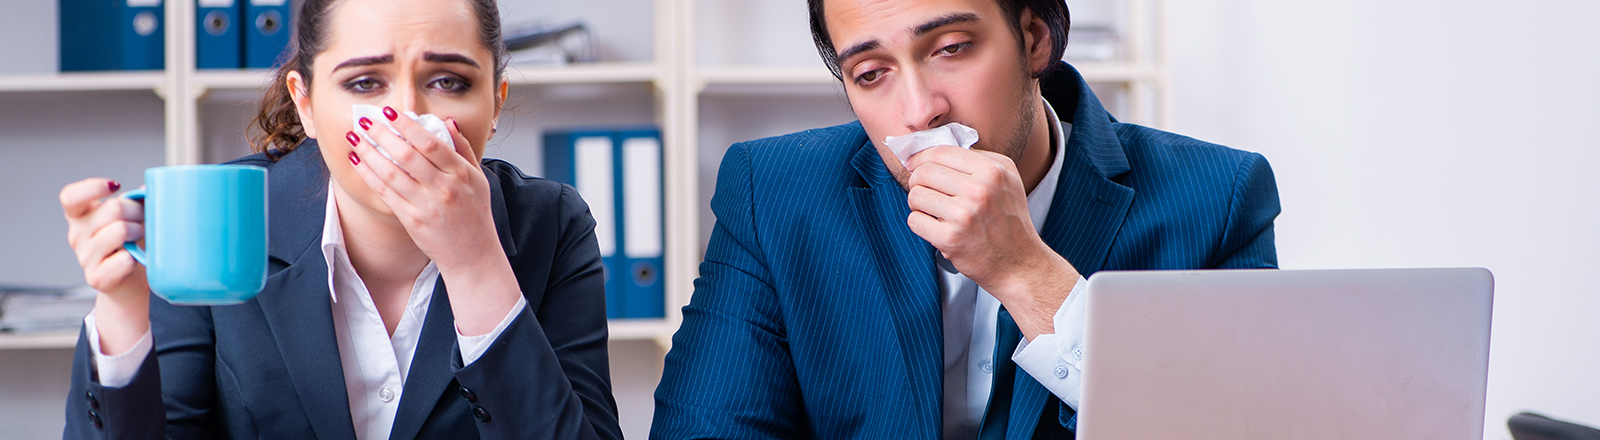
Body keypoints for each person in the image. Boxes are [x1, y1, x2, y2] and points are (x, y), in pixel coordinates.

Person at [651, 0, 1279, 438]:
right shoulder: (774, 192)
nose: (920, 111)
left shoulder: (1217, 198)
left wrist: (1029, 276)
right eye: (870, 74)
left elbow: (1239, 428)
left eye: (952, 49)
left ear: (1034, 40)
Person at [57, 0, 621, 438]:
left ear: (495, 101)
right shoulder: (227, 214)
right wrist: (124, 315)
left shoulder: (551, 225)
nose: (405, 118)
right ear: (305, 103)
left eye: (448, 82)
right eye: (365, 83)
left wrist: (476, 263)